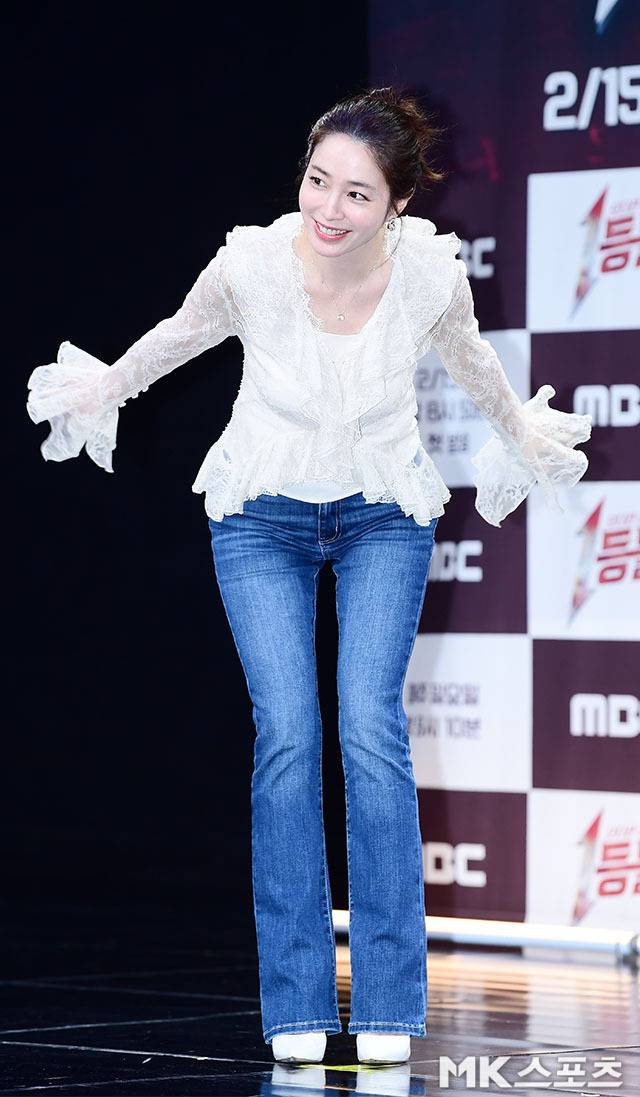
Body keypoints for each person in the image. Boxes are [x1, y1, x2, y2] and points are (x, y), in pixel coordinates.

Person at [26, 86, 592, 1066]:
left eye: (356, 194)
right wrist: (100, 388)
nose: (328, 209)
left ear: (398, 204)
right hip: (260, 516)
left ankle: (388, 1005)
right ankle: (294, 1000)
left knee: (370, 730)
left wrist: (526, 438)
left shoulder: (429, 278)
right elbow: (178, 335)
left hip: (383, 514)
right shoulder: (252, 264)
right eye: (318, 180)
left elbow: (475, 369)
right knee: (287, 734)